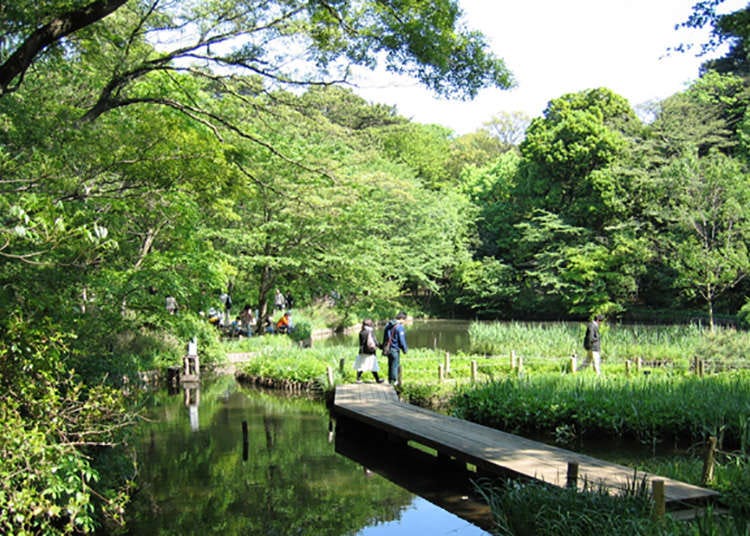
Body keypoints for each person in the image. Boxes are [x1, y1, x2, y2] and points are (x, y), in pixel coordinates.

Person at [382, 311, 408, 385]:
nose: (404, 322)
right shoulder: (399, 327)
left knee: (390, 365)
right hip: (395, 349)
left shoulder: (388, 325)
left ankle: (390, 380)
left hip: (387, 348)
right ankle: (394, 381)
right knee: (395, 365)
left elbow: (385, 337)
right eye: (404, 320)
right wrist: (404, 349)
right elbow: (401, 340)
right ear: (402, 319)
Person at [355, 319, 383, 383]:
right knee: (373, 365)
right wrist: (381, 346)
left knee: (361, 365)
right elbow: (375, 342)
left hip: (363, 351)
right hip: (370, 352)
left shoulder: (361, 332)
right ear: (370, 324)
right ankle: (377, 379)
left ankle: (358, 379)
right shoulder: (370, 332)